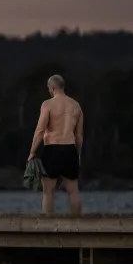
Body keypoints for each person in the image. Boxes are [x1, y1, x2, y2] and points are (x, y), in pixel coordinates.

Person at [27, 74, 83, 216]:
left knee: (48, 191)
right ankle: (78, 223)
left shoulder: (48, 104)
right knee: (73, 189)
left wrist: (32, 152)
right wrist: (78, 154)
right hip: (70, 148)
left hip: (53, 148)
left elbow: (40, 130)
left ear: (51, 88)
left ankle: (48, 223)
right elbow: (79, 135)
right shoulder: (76, 105)